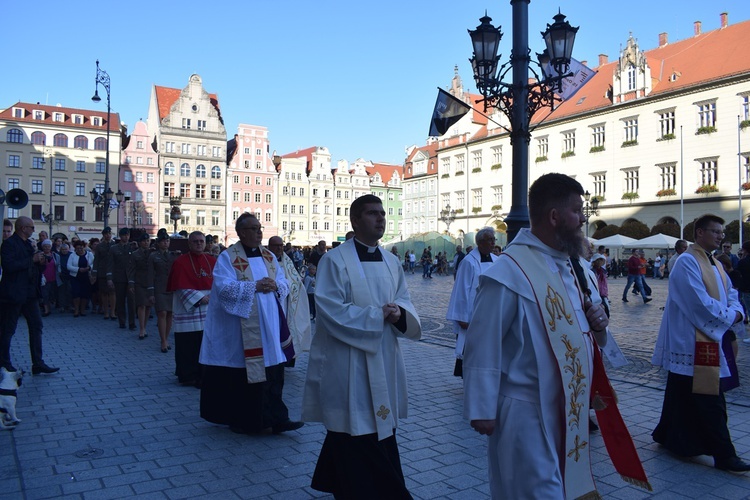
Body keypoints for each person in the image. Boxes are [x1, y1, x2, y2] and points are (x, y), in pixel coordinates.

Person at [463, 173, 649, 498]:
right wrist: (481, 407)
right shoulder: (508, 272)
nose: (583, 219)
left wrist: (600, 327)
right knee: (534, 491)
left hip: (570, 406)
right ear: (554, 216)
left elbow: (587, 333)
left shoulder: (578, 268)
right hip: (525, 410)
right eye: (577, 211)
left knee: (565, 487)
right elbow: (483, 344)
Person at [302, 194, 422, 499]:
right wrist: (374, 316)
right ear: (355, 221)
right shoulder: (335, 260)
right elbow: (329, 309)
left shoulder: (392, 261)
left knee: (375, 427)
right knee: (352, 426)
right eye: (372, 213)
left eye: (382, 213)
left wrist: (399, 312)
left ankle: (345, 483)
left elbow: (404, 298)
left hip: (383, 354)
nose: (380, 218)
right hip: (349, 360)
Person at [652, 214, 750, 472]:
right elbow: (699, 304)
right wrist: (732, 316)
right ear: (699, 233)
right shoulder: (687, 262)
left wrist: (737, 310)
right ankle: (724, 454)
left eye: (721, 232)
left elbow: (731, 293)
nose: (720, 236)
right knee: (710, 398)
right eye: (715, 231)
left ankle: (669, 436)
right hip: (691, 341)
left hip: (704, 338)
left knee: (681, 392)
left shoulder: (715, 263)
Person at [199, 214, 302, 435]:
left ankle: (277, 418)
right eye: (254, 228)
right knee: (247, 374)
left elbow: (284, 282)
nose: (259, 232)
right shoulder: (228, 257)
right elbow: (223, 288)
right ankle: (247, 420)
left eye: (259, 228)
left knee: (274, 370)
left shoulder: (269, 256)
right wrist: (254, 286)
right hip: (244, 327)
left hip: (271, 324)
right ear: (241, 232)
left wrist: (274, 284)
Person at [0, 217, 59, 375]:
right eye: (31, 227)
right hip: (13, 293)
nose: (34, 230)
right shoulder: (9, 244)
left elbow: (32, 268)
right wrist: (31, 260)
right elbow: (9, 266)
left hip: (30, 293)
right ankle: (4, 363)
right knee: (8, 329)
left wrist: (40, 263)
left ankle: (38, 363)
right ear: (23, 228)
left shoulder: (29, 244)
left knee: (36, 325)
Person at [446, 228, 498, 377]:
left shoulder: (496, 260)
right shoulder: (468, 262)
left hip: (489, 312)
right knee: (471, 349)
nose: (494, 242)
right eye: (490, 240)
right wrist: (462, 317)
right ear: (480, 242)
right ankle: (469, 377)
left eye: (494, 239)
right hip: (471, 314)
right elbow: (461, 289)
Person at [167, 231, 216, 386]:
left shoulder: (212, 261)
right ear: (189, 244)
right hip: (189, 308)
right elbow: (179, 286)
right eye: (195, 241)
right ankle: (187, 375)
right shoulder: (180, 262)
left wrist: (212, 297)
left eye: (201, 241)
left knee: (204, 342)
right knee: (188, 344)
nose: (198, 244)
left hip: (208, 308)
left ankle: (204, 373)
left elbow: (219, 283)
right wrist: (200, 298)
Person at [267, 235, 311, 365]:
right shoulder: (265, 260)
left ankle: (285, 358)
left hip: (286, 303)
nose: (280, 248)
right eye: (276, 246)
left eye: (281, 245)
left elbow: (295, 280)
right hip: (271, 302)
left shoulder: (287, 261)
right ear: (270, 247)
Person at [148, 233, 176, 353]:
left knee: (170, 314)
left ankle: (166, 337)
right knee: (162, 313)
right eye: (163, 241)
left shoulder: (173, 255)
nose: (166, 243)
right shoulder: (153, 256)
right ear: (158, 243)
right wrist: (150, 291)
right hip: (159, 288)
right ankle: (163, 340)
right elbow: (149, 274)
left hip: (171, 288)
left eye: (168, 241)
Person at [110, 228, 136, 330]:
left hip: (131, 278)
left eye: (128, 235)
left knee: (132, 301)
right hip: (119, 277)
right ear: (120, 236)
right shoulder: (114, 248)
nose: (126, 237)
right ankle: (122, 321)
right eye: (124, 235)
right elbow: (110, 263)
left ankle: (132, 323)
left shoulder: (133, 247)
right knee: (120, 301)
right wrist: (109, 278)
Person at [132, 234, 152, 340]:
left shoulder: (152, 253)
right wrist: (131, 283)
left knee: (148, 305)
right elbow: (131, 269)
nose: (146, 242)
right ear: (140, 243)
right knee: (141, 305)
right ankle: (141, 328)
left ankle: (145, 326)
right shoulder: (135, 254)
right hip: (139, 281)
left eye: (148, 240)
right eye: (144, 241)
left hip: (150, 282)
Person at [93, 227, 116, 320]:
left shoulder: (114, 245)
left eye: (109, 233)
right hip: (102, 271)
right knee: (104, 293)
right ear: (103, 235)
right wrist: (94, 273)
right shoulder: (99, 246)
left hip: (113, 271)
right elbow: (96, 260)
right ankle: (106, 311)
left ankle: (113, 312)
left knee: (113, 292)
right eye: (106, 234)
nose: (108, 235)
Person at [67, 240, 94, 317]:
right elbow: (68, 266)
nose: (80, 250)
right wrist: (78, 269)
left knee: (84, 294)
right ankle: (76, 310)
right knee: (76, 293)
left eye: (81, 248)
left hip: (86, 276)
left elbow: (94, 264)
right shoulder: (72, 255)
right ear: (75, 248)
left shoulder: (89, 254)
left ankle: (82, 310)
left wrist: (89, 268)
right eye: (78, 248)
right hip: (75, 277)